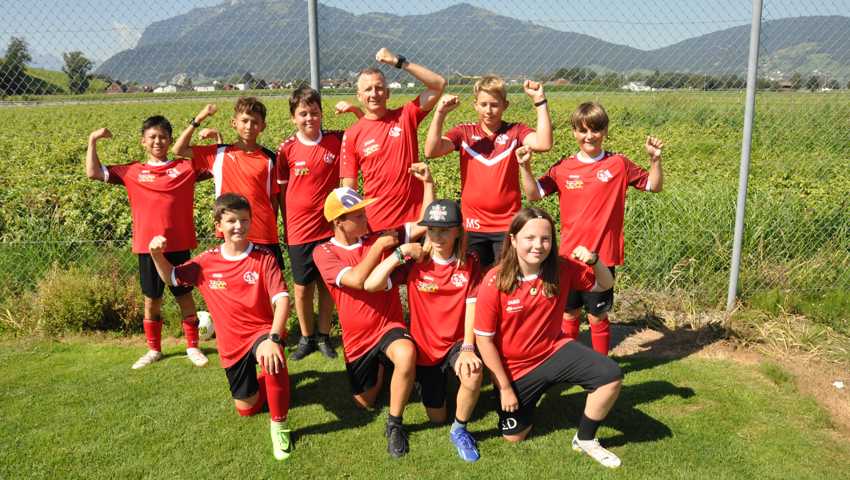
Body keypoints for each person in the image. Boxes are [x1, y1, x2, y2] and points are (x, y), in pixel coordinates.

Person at [474, 207, 623, 468]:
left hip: (554, 351)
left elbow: (606, 284)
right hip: (516, 370)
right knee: (514, 437)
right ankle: (512, 397)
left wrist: (594, 260)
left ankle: (585, 438)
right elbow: (484, 340)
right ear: (513, 240)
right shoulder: (494, 281)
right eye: (529, 238)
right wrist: (506, 388)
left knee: (610, 376)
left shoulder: (562, 268)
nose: (538, 245)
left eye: (545, 239)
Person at [148, 193, 293, 461]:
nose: (239, 226)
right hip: (231, 344)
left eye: (244, 220)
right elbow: (171, 276)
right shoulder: (206, 262)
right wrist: (157, 255)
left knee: (273, 357)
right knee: (246, 408)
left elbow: (282, 300)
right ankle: (272, 385)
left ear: (251, 222)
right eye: (231, 221)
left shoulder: (264, 258)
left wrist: (274, 336)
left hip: (261, 333)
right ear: (219, 225)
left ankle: (280, 425)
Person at [519, 101, 664, 355]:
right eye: (583, 130)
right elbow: (533, 195)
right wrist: (525, 167)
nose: (589, 136)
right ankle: (570, 363)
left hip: (602, 257)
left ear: (605, 131)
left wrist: (655, 160)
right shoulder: (563, 168)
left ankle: (600, 366)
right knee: (569, 313)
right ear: (574, 132)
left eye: (595, 130)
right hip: (568, 257)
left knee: (597, 316)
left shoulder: (619, 164)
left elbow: (654, 185)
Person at [313, 164, 434, 458]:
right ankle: (387, 367)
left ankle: (395, 424)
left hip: (389, 326)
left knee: (406, 353)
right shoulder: (323, 252)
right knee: (365, 401)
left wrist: (428, 184)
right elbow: (357, 280)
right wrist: (383, 248)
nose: (366, 218)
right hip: (358, 340)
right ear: (339, 222)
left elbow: (426, 222)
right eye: (358, 216)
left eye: (364, 212)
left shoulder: (377, 237)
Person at [363, 199, 484, 462]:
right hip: (425, 349)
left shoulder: (470, 263)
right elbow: (371, 284)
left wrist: (468, 347)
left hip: (455, 344)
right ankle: (430, 386)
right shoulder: (415, 263)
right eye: (432, 230)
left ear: (457, 231)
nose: (438, 237)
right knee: (436, 417)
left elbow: (472, 306)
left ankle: (460, 429)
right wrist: (400, 253)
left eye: (444, 230)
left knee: (474, 374)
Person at [85, 116, 208, 369]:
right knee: (152, 300)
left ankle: (193, 347)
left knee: (184, 295)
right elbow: (93, 172)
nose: (157, 141)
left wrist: (212, 136)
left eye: (162, 137)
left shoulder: (185, 168)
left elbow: (220, 166)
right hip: (147, 248)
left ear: (170, 140)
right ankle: (154, 350)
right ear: (143, 141)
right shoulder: (132, 171)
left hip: (178, 245)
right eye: (152, 137)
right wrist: (92, 140)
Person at [424, 75, 552, 268]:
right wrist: (440, 113)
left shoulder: (515, 131)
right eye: (483, 104)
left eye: (494, 104)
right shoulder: (464, 133)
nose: (488, 110)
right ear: (475, 105)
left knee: (504, 280)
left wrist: (539, 101)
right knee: (471, 281)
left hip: (507, 224)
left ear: (505, 105)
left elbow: (543, 143)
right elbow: (431, 151)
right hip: (472, 225)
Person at [276, 87, 363, 361]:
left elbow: (365, 129)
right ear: (293, 118)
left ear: (321, 114)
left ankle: (324, 336)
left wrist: (353, 110)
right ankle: (306, 337)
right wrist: (287, 224)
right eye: (303, 113)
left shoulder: (337, 140)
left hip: (329, 229)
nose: (309, 118)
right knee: (302, 287)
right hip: (299, 230)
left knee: (327, 285)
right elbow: (281, 192)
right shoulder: (286, 149)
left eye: (314, 112)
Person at [340, 47, 446, 232]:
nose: (374, 94)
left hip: (416, 223)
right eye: (368, 89)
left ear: (388, 93)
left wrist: (399, 62)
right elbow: (349, 187)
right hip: (377, 226)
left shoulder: (406, 116)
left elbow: (438, 84)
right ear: (359, 96)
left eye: (379, 88)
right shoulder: (352, 134)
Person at [172, 97, 284, 270]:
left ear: (263, 126)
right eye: (244, 121)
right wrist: (198, 119)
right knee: (236, 285)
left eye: (254, 122)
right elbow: (178, 149)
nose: (248, 126)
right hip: (232, 231)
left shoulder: (270, 158)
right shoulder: (219, 154)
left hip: (264, 234)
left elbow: (274, 199)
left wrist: (271, 226)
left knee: (267, 287)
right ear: (234, 123)